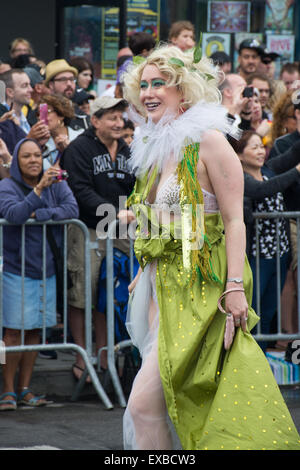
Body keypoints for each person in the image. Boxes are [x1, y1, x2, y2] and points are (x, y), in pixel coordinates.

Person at [121, 44, 300, 450]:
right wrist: (140, 271)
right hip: (163, 288)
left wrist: (234, 286)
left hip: (205, 289)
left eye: (159, 84)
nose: (148, 92)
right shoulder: (153, 146)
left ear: (182, 90)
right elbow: (154, 219)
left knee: (147, 404)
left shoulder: (209, 142)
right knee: (168, 400)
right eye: (143, 85)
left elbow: (235, 220)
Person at [0, 138, 78, 411]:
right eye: (26, 157)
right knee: (12, 333)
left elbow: (72, 209)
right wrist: (38, 190)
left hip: (47, 268)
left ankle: (25, 388)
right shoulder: (7, 186)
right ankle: (7, 390)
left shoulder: (58, 183)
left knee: (34, 332)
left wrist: (41, 212)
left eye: (37, 155)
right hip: (16, 269)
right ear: (17, 162)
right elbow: (14, 213)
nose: (33, 160)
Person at [60, 96, 135, 380]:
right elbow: (79, 190)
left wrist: (130, 211)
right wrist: (115, 212)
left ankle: (106, 356)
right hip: (88, 228)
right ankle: (82, 357)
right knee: (82, 294)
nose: (118, 124)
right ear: (95, 121)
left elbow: (136, 184)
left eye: (120, 118)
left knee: (108, 293)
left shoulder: (127, 150)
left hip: (121, 230)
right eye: (112, 118)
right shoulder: (79, 149)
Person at [231, 130, 300, 353]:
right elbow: (263, 190)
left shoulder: (269, 170)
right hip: (255, 257)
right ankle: (245, 362)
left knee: (268, 312)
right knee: (253, 312)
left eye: (261, 146)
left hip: (278, 257)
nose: (260, 151)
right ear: (240, 155)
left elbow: (292, 152)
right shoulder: (240, 178)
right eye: (253, 147)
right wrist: (297, 171)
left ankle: (260, 361)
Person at [0, 69, 50, 146]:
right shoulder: (2, 118)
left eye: (30, 85)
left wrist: (39, 144)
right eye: (25, 86)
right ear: (10, 92)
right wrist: (30, 138)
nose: (30, 89)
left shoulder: (26, 115)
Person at [39, 93, 83, 169]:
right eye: (39, 113)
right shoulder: (40, 142)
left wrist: (70, 149)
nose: (41, 118)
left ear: (61, 115)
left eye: (47, 112)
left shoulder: (79, 137)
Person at [45, 59, 90, 131]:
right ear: (51, 84)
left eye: (72, 79)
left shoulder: (82, 117)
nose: (69, 84)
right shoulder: (41, 113)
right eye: (63, 79)